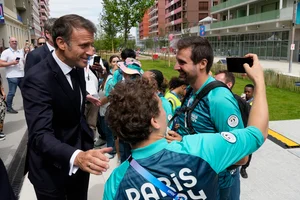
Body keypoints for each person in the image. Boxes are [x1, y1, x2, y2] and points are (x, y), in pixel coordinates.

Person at [103, 54, 269, 199]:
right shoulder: (199, 149)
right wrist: (259, 82)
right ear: (154, 121)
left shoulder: (116, 182)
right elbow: (257, 133)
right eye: (160, 105)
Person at [21, 14, 112, 200]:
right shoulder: (36, 79)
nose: (90, 51)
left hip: (79, 156)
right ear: (61, 43)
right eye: (84, 45)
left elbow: (67, 97)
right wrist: (76, 156)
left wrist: (81, 97)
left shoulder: (77, 65)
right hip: (51, 169)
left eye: (91, 45)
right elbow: (40, 135)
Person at [167, 36, 246, 200]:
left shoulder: (219, 99)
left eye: (182, 62)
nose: (176, 67)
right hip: (197, 181)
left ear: (202, 64)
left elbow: (240, 156)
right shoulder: (191, 90)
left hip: (219, 186)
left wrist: (186, 145)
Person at [0, 37, 24, 114]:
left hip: (22, 75)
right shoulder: (6, 52)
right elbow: (1, 63)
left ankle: (28, 104)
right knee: (12, 92)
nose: (14, 42)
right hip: (12, 76)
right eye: (12, 41)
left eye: (15, 41)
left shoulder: (20, 51)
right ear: (9, 43)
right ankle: (9, 107)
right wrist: (11, 63)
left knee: (26, 91)